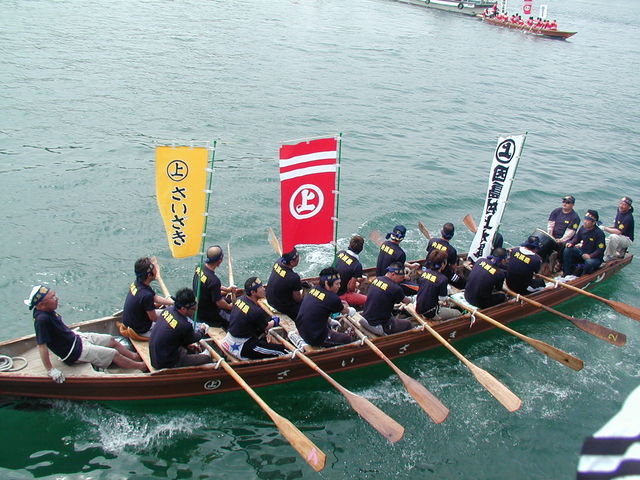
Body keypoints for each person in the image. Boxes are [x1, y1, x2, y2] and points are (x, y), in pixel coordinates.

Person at [26, 286, 146, 383]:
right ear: (41, 304)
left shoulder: (47, 310)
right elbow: (42, 346)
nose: (56, 298)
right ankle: (140, 366)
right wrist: (50, 370)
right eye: (52, 297)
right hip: (75, 351)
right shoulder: (41, 320)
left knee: (111, 340)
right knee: (113, 354)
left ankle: (134, 356)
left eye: (54, 295)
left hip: (76, 339)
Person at [223, 277, 287, 359]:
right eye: (260, 287)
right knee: (282, 351)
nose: (264, 289)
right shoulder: (255, 311)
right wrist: (275, 322)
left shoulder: (239, 299)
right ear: (253, 292)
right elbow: (266, 326)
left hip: (231, 337)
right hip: (243, 345)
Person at [149, 288, 212, 369]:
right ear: (183, 309)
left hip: (156, 355)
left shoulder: (167, 310)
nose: (195, 310)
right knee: (206, 358)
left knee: (190, 348)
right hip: (166, 362)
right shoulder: (184, 325)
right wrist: (202, 330)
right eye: (193, 309)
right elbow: (194, 338)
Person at [295, 267, 353, 347]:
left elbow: (318, 312)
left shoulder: (313, 289)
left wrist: (330, 321)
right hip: (314, 338)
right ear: (327, 283)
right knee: (347, 339)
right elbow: (345, 311)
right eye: (337, 284)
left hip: (301, 329)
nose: (339, 286)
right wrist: (351, 310)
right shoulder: (333, 298)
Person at [122, 257, 174, 336]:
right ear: (149, 275)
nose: (157, 269)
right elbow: (154, 318)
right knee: (174, 329)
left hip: (132, 322)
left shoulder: (138, 283)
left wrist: (172, 303)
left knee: (170, 313)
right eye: (155, 268)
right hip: (141, 329)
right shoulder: (146, 295)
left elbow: (155, 297)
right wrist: (171, 321)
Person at [361, 262, 413, 335]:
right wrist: (413, 299)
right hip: (378, 324)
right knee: (408, 324)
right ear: (393, 274)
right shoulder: (395, 288)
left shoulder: (376, 279)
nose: (402, 280)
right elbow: (407, 301)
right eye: (401, 278)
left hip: (366, 317)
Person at [193, 245, 233, 328]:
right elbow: (219, 302)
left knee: (228, 300)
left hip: (198, 304)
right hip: (207, 312)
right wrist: (229, 307)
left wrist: (227, 290)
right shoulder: (214, 280)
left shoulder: (199, 267)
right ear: (220, 260)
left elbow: (210, 285)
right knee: (233, 319)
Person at [416, 250, 460, 322]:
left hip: (418, 308)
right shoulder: (443, 279)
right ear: (443, 264)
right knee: (458, 313)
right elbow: (442, 299)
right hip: (431, 313)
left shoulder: (424, 273)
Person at [562, 210, 606, 276]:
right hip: (583, 253)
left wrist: (590, 256)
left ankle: (582, 276)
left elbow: (600, 250)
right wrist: (571, 243)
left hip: (595, 258)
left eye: (588, 220)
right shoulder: (582, 228)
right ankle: (566, 272)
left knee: (589, 262)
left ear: (594, 222)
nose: (585, 221)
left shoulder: (599, 234)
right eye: (585, 218)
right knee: (568, 249)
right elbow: (577, 238)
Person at [266, 247, 304, 320]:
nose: (299, 258)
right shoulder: (294, 277)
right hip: (281, 307)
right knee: (309, 306)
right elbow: (298, 299)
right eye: (297, 258)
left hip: (269, 299)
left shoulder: (278, 263)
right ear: (292, 262)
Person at [426, 223, 465, 288]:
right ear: (452, 235)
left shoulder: (432, 241)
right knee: (463, 282)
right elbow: (453, 267)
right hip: (443, 273)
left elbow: (429, 252)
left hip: (428, 267)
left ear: (441, 232)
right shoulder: (452, 250)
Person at [335, 235, 367, 308]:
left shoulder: (340, 253)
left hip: (330, 288)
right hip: (340, 295)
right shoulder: (357, 265)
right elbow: (351, 289)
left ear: (349, 244)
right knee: (368, 300)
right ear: (361, 249)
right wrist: (356, 285)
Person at [603, 196, 634, 262]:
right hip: (620, 236)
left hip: (627, 239)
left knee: (613, 237)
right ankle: (619, 251)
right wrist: (602, 227)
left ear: (629, 207)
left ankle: (608, 256)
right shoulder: (619, 211)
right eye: (621, 203)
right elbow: (616, 226)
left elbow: (618, 232)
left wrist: (604, 228)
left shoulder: (628, 217)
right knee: (602, 239)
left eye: (624, 205)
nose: (621, 206)